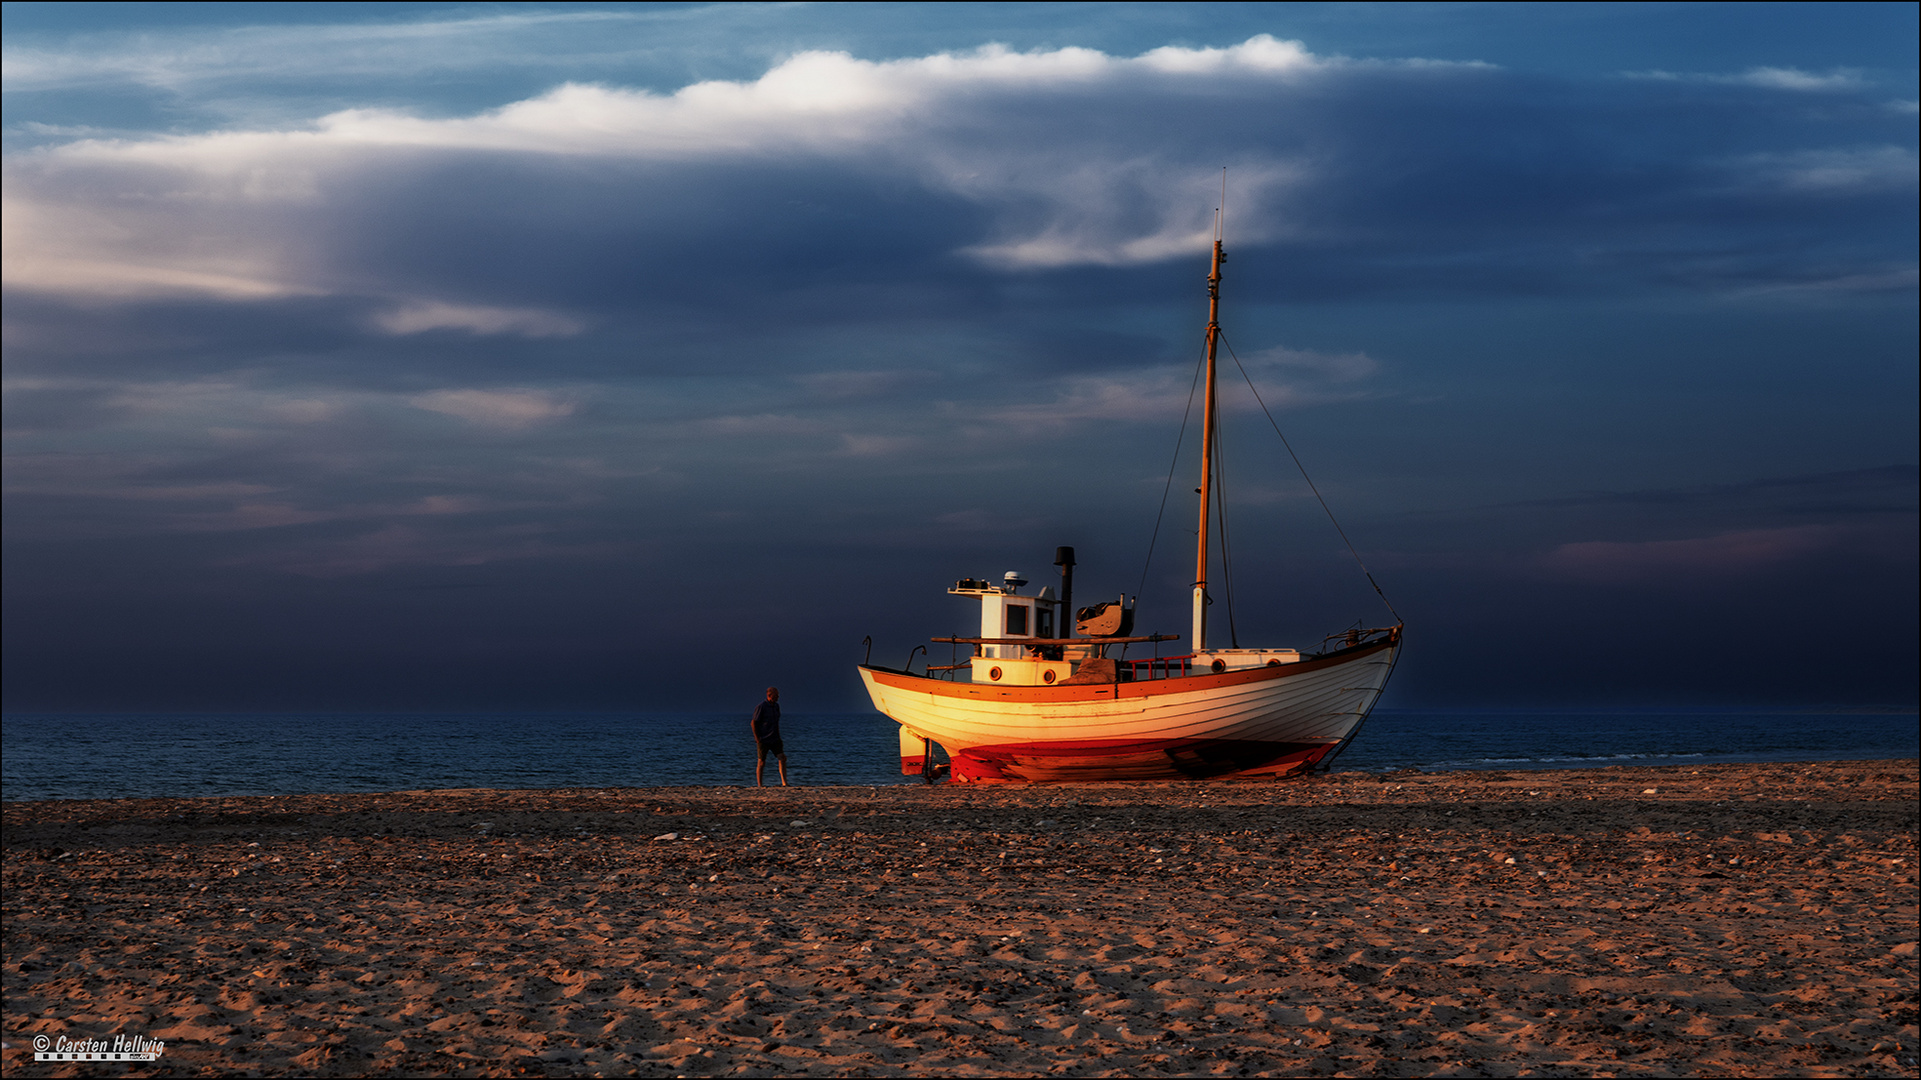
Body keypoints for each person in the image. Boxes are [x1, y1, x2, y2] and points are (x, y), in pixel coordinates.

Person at [751, 686, 787, 787]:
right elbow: (754, 722)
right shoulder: (761, 707)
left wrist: (778, 736)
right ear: (769, 695)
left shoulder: (776, 706)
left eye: (778, 695)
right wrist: (757, 738)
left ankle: (784, 782)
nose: (778, 697)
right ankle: (760, 785)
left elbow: (776, 722)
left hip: (775, 738)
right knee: (761, 761)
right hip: (763, 738)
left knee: (782, 758)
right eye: (776, 696)